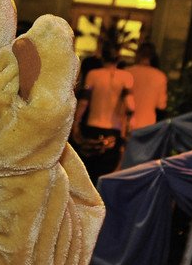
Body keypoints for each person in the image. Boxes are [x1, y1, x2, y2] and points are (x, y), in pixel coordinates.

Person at [72, 40, 136, 182]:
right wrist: (128, 127)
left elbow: (84, 102)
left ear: (102, 57)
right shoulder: (126, 77)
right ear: (118, 58)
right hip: (113, 131)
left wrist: (76, 123)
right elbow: (130, 106)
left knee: (88, 174)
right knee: (106, 175)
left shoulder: (93, 75)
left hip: (92, 128)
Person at [125, 41, 168, 130]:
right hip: (148, 123)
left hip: (125, 123)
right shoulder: (160, 76)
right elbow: (161, 105)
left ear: (138, 55)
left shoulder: (127, 72)